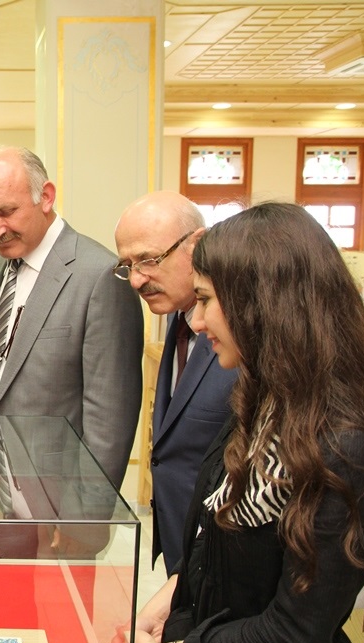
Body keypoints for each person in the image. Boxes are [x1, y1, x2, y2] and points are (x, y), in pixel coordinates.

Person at [113, 202, 364, 643]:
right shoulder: (263, 403)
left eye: (207, 301)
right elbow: (213, 549)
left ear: (262, 305)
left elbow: (295, 633)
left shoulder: (346, 446)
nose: (197, 322)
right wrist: (166, 608)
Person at [0, 146, 142, 489]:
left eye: (6, 212)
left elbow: (109, 420)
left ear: (45, 197)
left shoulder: (101, 276)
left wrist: (88, 509)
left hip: (54, 494)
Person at [114, 191, 236, 572]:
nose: (136, 280)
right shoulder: (176, 315)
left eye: (149, 260)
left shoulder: (238, 333)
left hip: (224, 557)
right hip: (179, 543)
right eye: (127, 265)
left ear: (196, 243)